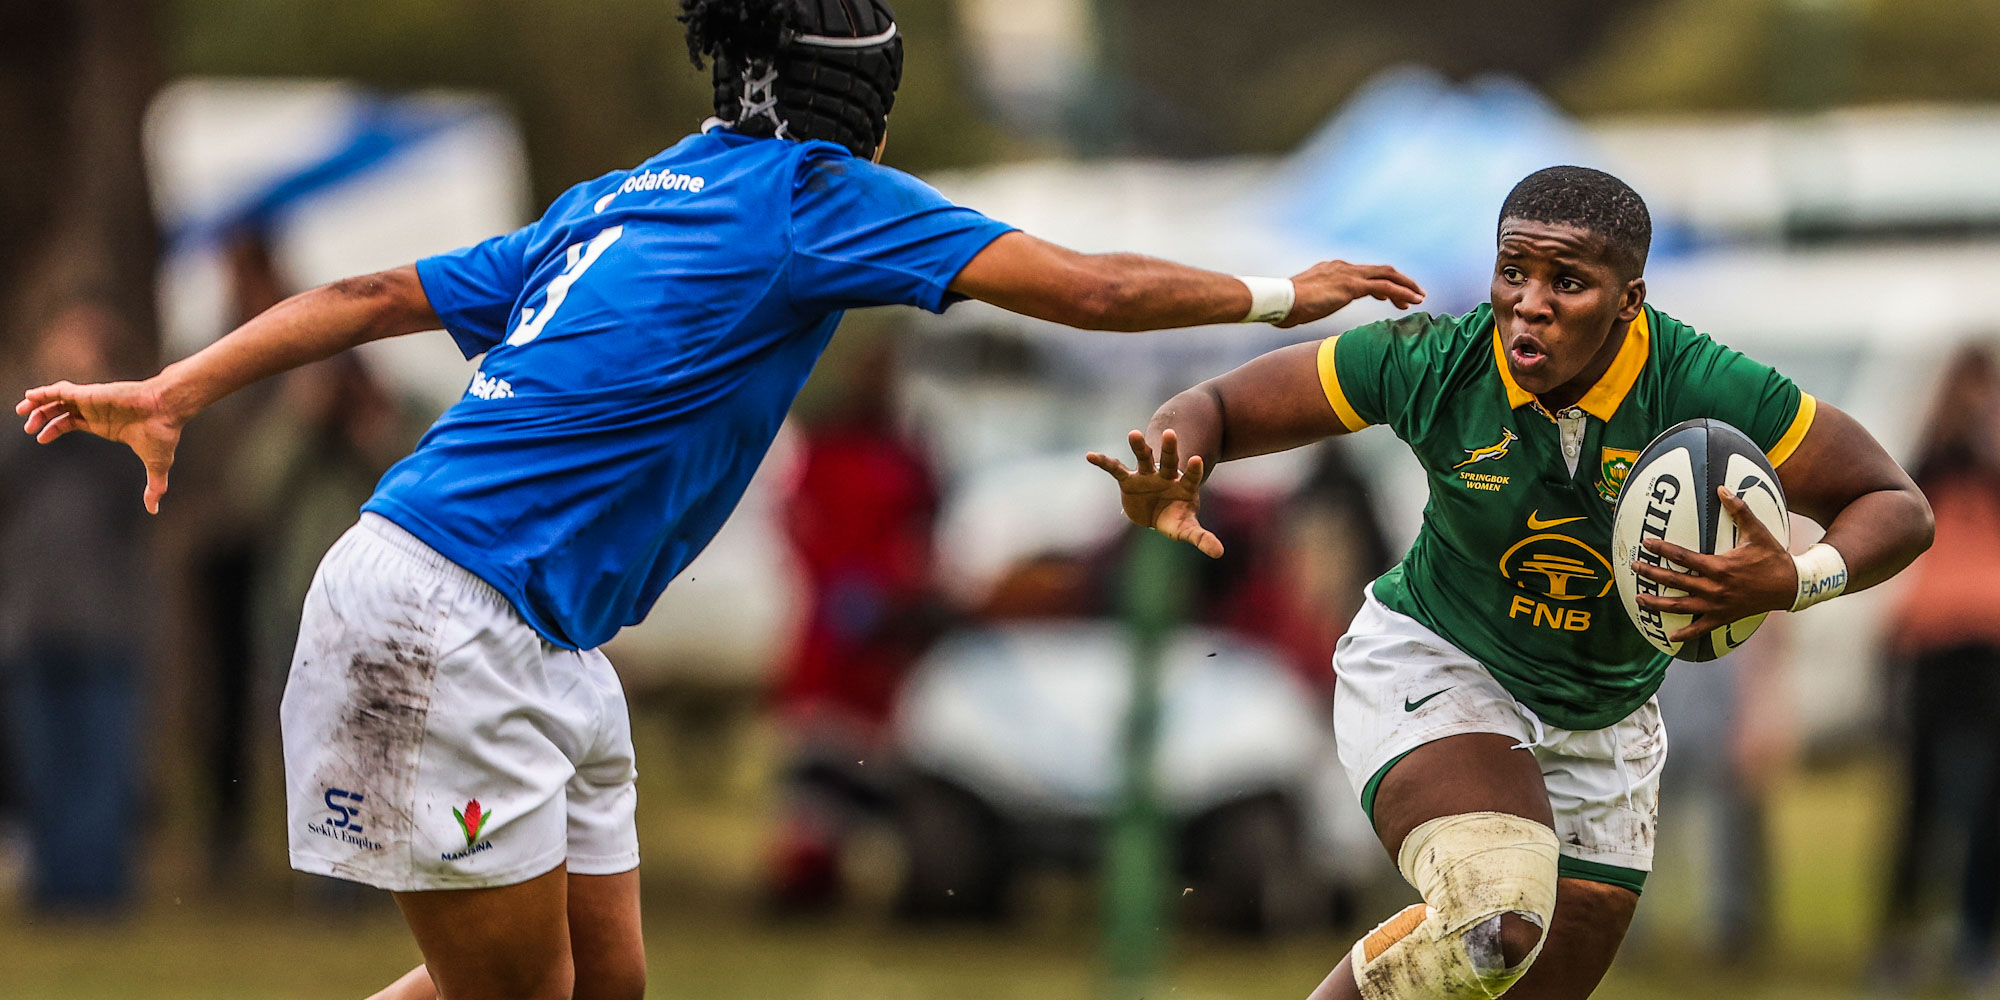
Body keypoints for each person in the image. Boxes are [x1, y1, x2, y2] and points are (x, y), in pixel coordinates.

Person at [13, 0, 1422, 996]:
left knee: (603, 984)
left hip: (530, 632)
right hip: (445, 622)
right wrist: (1293, 292)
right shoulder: (814, 194)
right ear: (850, 80)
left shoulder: (621, 195)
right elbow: (1096, 290)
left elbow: (366, 293)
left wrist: (182, 385)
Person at [1088, 166, 1934, 1000]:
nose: (1529, 301)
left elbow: (1894, 503)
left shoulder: (1698, 385)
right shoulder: (1439, 364)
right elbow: (1217, 409)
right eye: (1513, 271)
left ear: (1627, 301)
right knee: (1494, 925)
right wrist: (1173, 458)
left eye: (1567, 281)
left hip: (1607, 716)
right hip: (1441, 665)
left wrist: (1794, 579)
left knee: (1517, 983)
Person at [1873, 345, 2000, 992]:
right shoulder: (1933, 462)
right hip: (1932, 646)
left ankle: (1977, 937)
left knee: (1986, 804)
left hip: (1988, 650)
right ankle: (1899, 937)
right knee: (1919, 802)